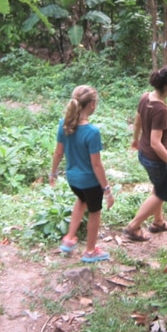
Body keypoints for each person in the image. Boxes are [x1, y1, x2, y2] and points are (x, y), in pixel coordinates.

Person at [48, 85, 113, 263]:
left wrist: (53, 173)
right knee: (95, 212)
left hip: (73, 180)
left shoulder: (65, 124)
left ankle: (69, 239)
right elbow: (96, 165)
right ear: (91, 104)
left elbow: (58, 152)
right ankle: (91, 251)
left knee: (81, 201)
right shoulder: (92, 132)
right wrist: (106, 189)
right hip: (90, 182)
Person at [123, 66, 167, 242]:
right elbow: (155, 142)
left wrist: (135, 140)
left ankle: (158, 222)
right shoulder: (159, 109)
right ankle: (133, 226)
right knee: (161, 193)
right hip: (157, 159)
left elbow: (137, 121)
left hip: (145, 154)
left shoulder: (146, 97)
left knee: (158, 187)